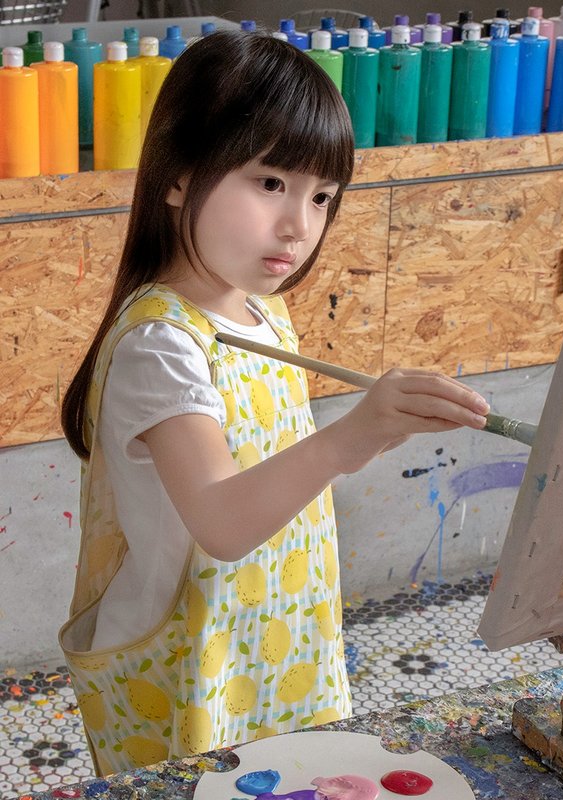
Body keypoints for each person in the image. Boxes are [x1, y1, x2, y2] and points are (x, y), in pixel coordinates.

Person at [59, 30, 490, 775]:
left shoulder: (262, 313)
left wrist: (384, 426)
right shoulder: (161, 344)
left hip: (277, 636)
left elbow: (276, 475)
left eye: (321, 196)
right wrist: (356, 435)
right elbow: (223, 522)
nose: (300, 225)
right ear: (179, 175)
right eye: (270, 184)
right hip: (189, 659)